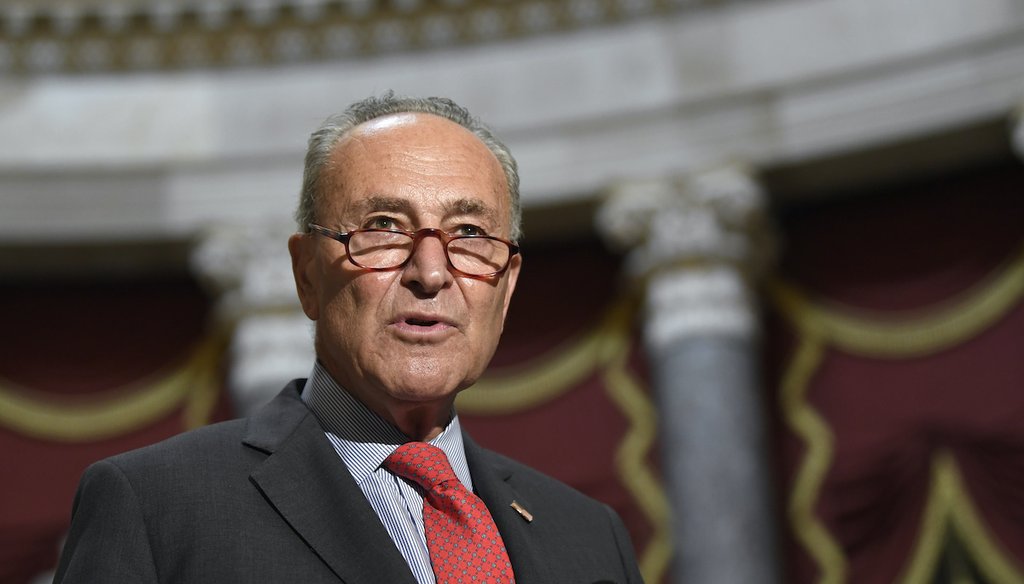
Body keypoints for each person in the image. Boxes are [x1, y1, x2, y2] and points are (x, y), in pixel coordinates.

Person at [54, 93, 644, 583]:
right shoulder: (156, 506)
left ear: (506, 285)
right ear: (307, 273)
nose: (431, 272)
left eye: (469, 233)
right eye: (384, 227)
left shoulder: (591, 539)